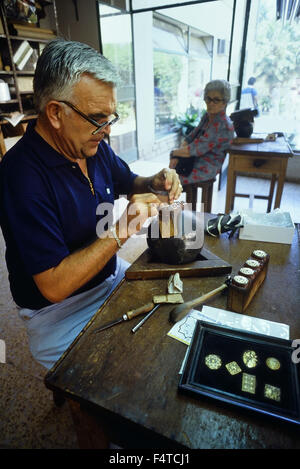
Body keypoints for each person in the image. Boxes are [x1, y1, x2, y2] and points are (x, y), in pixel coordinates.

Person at [0, 39, 182, 370]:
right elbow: (54, 287)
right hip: (57, 312)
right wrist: (123, 230)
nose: (108, 129)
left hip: (108, 275)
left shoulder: (89, 144)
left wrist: (153, 181)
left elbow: (128, 182)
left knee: (171, 318)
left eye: (111, 115)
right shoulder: (20, 176)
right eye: (98, 117)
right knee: (122, 379)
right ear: (55, 112)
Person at [169, 79, 234, 187]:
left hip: (206, 168)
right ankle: (185, 204)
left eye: (216, 100)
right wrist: (177, 156)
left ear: (225, 102)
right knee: (165, 178)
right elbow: (190, 138)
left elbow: (196, 149)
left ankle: (183, 205)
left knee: (165, 183)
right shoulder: (208, 116)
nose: (211, 103)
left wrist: (174, 153)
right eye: (208, 98)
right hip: (193, 161)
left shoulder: (222, 124)